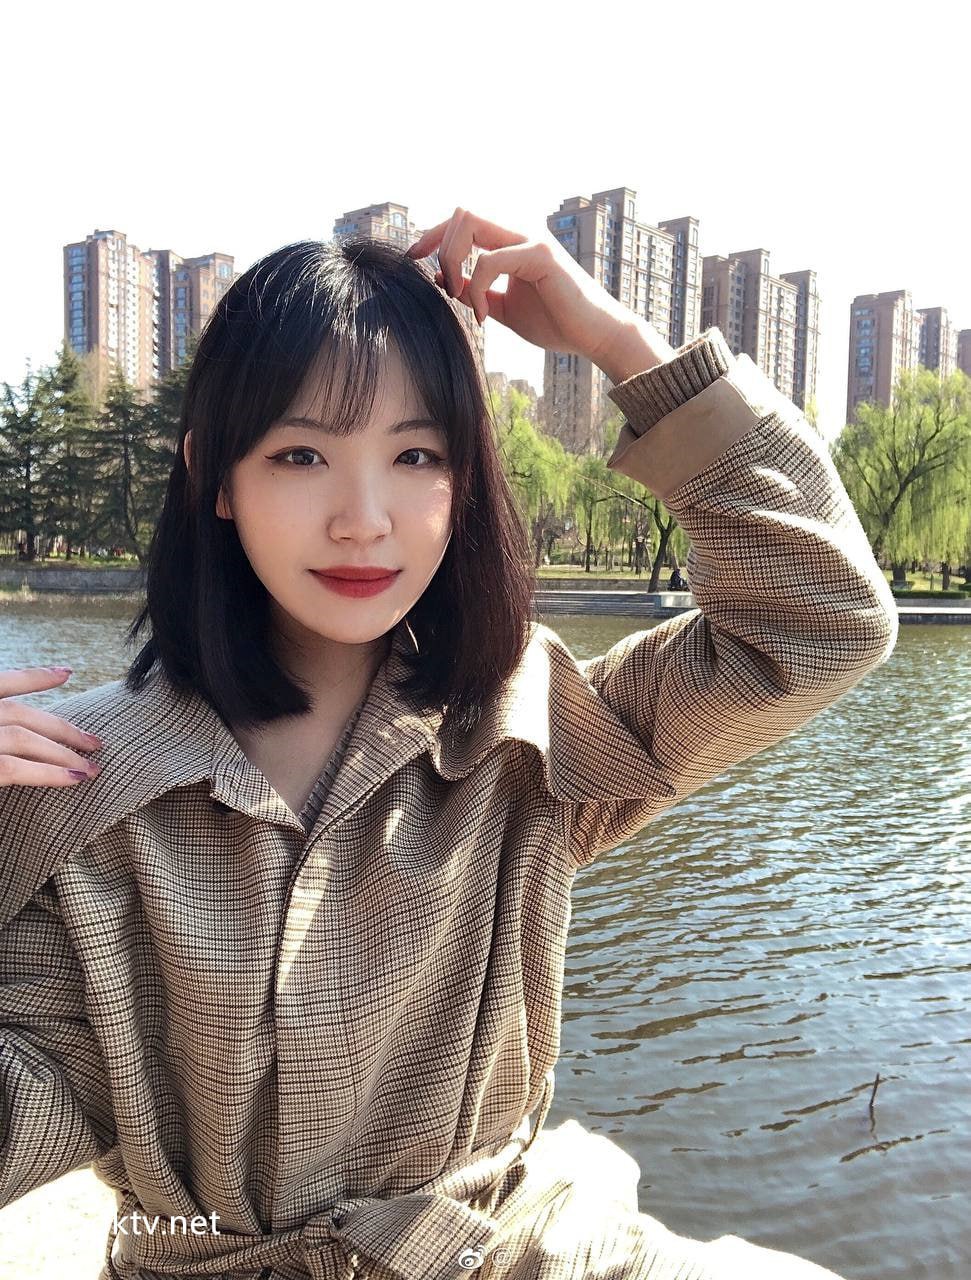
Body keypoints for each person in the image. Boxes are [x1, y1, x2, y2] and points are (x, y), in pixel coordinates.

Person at [0, 211, 898, 1279]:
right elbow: (28, 1111)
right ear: (215, 478)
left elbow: (819, 622)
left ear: (462, 478)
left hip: (497, 1256)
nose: (363, 518)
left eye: (415, 454)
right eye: (300, 454)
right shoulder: (78, 774)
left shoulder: (528, 726)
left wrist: (621, 345)